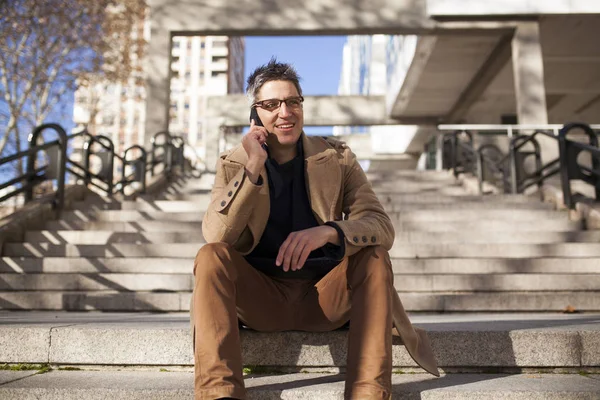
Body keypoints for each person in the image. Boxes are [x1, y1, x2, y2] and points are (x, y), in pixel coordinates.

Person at [191, 59, 438, 400]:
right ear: (255, 114)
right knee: (211, 256)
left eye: (293, 101)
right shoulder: (233, 163)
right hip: (262, 300)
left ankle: (369, 393)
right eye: (271, 104)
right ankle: (221, 394)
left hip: (326, 299)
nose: (285, 112)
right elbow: (217, 235)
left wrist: (330, 232)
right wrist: (252, 166)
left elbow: (381, 226)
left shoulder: (337, 158)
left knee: (375, 257)